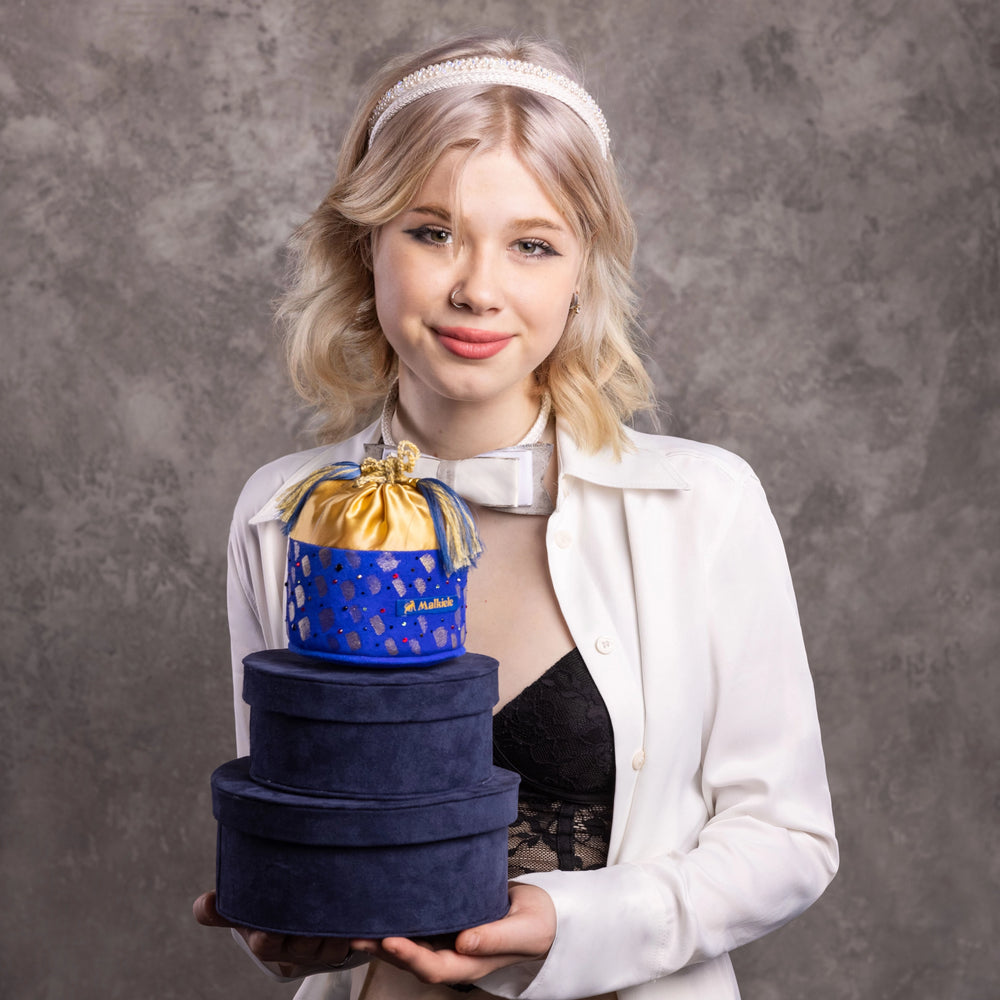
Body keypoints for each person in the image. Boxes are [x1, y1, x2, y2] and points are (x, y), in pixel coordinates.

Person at [194, 33, 838, 1000]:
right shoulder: (280, 513)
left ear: (580, 273)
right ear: (365, 243)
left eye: (531, 245)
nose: (477, 288)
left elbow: (789, 841)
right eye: (431, 230)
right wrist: (292, 917)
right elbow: (300, 819)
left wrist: (564, 922)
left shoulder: (703, 505)